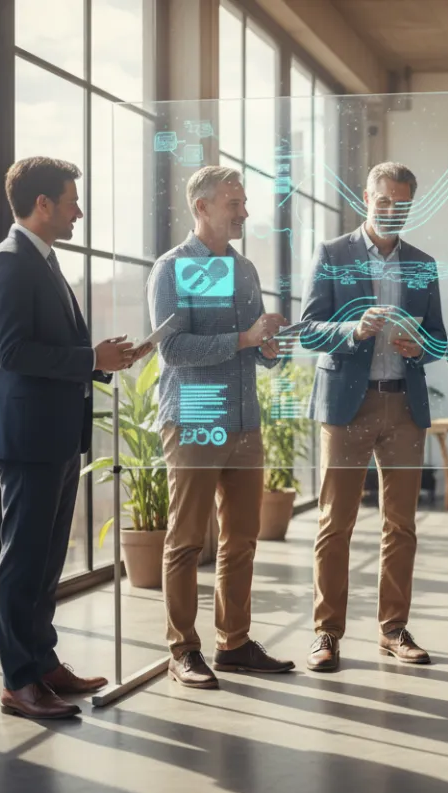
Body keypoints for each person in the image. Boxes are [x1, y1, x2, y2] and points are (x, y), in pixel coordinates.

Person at [0, 157, 143, 719]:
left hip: (55, 434)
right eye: (72, 200)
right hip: (27, 438)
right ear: (42, 204)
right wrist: (87, 358)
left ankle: (43, 663)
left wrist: (101, 362)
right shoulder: (7, 263)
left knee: (47, 560)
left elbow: (48, 349)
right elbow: (12, 353)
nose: (79, 211)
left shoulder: (43, 262)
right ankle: (18, 681)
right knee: (21, 562)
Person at [148, 166, 295, 689]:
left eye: (244, 201)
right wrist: (243, 338)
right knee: (187, 540)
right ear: (202, 208)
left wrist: (271, 345)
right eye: (234, 203)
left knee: (242, 539)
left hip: (243, 421)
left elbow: (255, 347)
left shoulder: (245, 270)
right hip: (194, 418)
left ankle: (233, 643)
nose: (244, 212)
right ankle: (182, 649)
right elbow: (173, 349)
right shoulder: (170, 270)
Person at [299, 162, 445, 671]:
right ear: (367, 197)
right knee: (335, 523)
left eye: (401, 203)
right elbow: (309, 329)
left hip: (404, 403)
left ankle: (393, 629)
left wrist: (420, 345)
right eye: (383, 201)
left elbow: (440, 342)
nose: (391, 210)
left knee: (400, 525)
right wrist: (353, 330)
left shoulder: (424, 263)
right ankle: (325, 633)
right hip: (347, 405)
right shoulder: (333, 253)